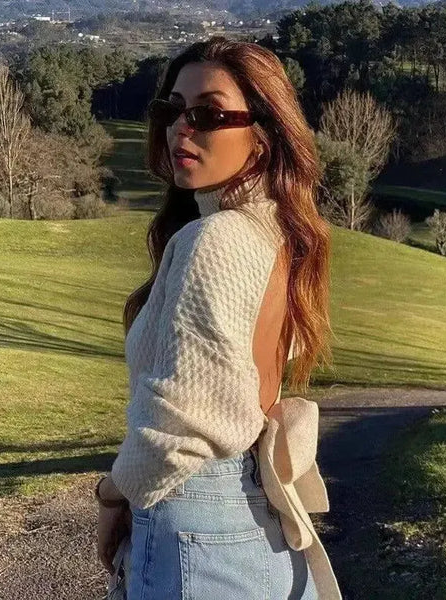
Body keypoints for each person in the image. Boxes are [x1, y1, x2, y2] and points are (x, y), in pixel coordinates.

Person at [94, 36, 340, 599]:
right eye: (172, 109)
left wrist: (112, 495)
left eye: (208, 113)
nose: (181, 127)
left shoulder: (216, 240)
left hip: (199, 519)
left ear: (264, 134)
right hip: (249, 519)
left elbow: (179, 425)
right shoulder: (275, 230)